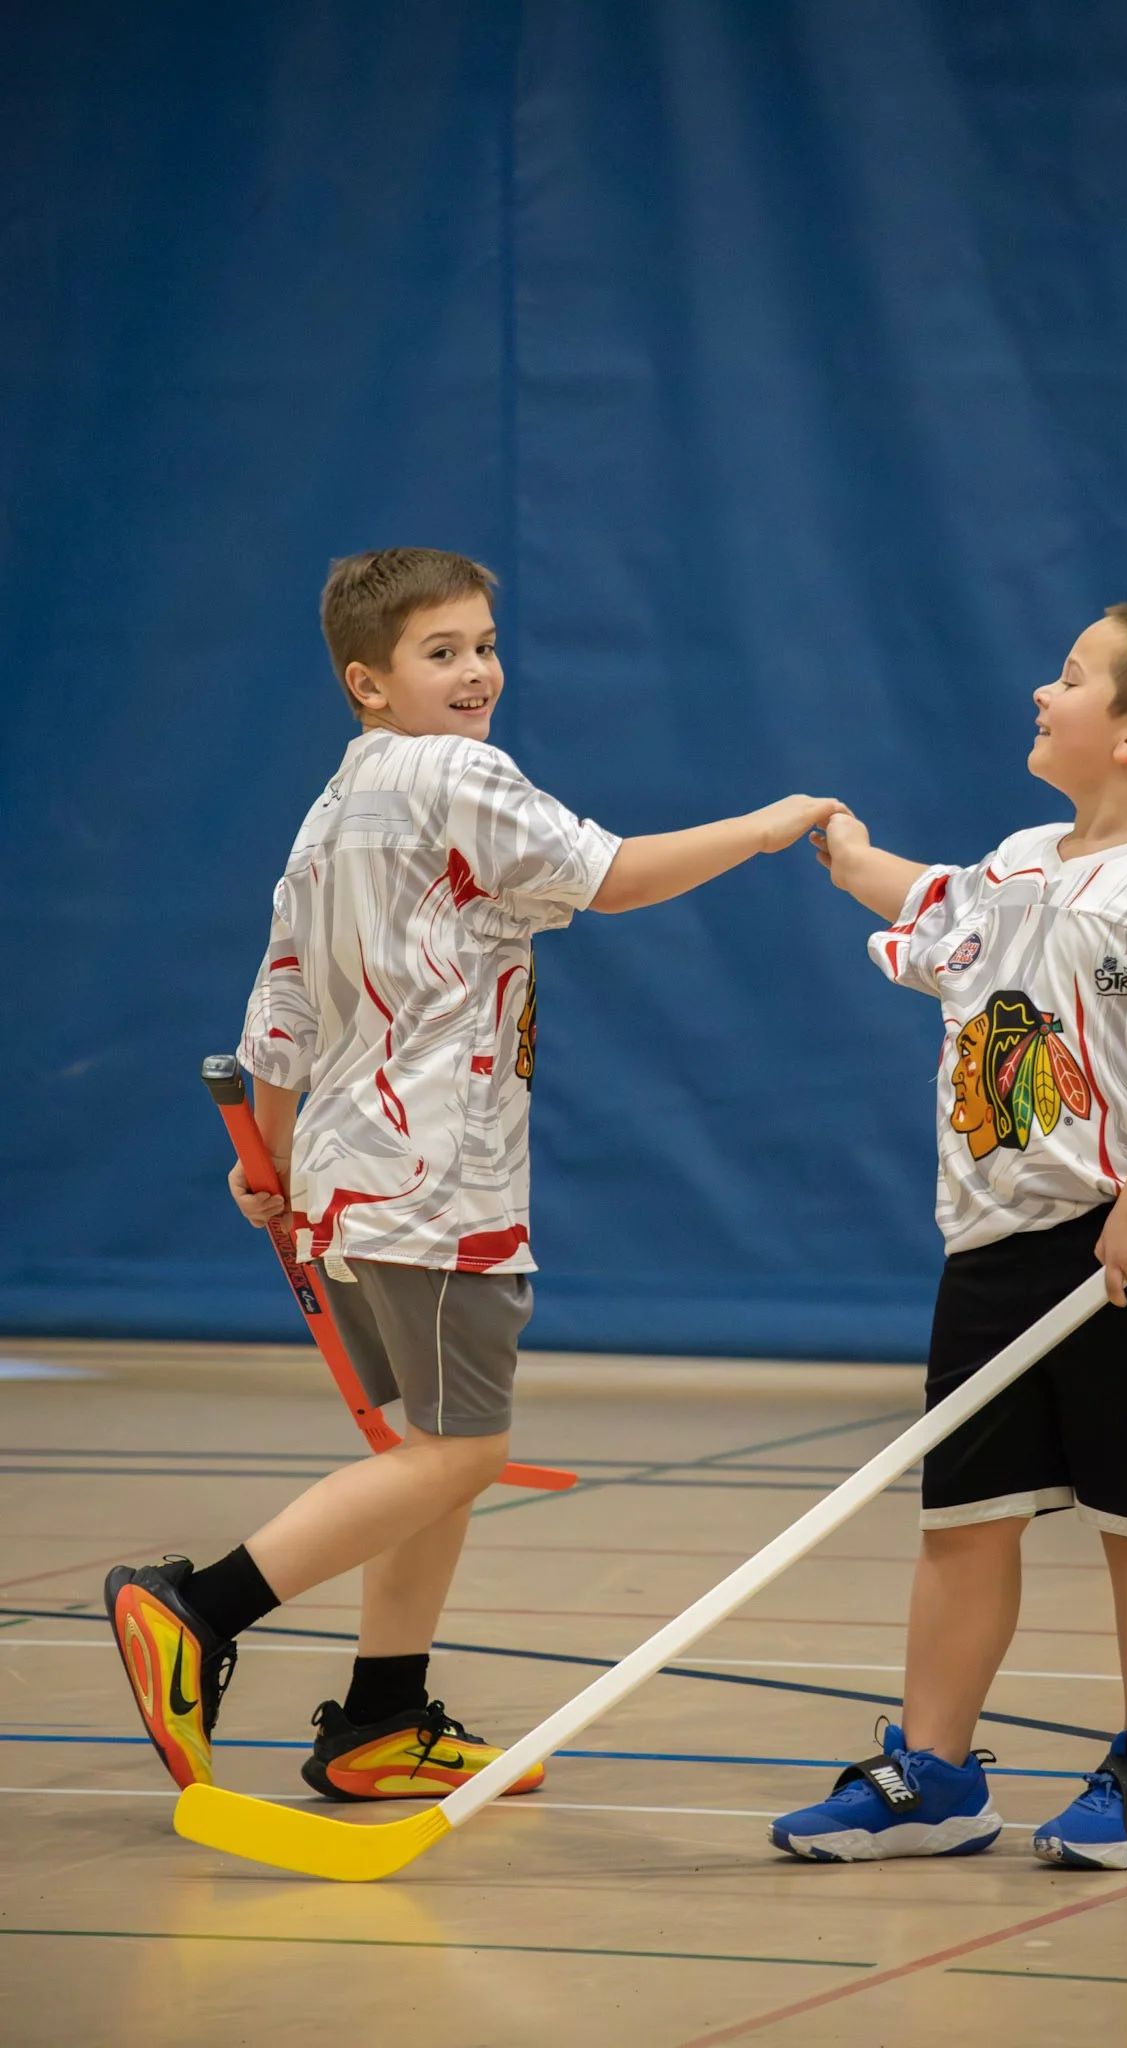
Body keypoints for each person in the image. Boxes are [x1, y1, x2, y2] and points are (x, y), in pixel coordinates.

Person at [107, 546, 844, 1802]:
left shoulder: (335, 801)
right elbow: (610, 876)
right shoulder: (457, 771)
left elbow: (278, 1000)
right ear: (369, 680)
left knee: (428, 1448)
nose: (478, 671)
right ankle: (200, 1606)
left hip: (352, 1175)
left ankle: (381, 1717)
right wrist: (772, 828)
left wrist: (276, 1154)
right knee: (458, 1455)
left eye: (487, 644)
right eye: (441, 651)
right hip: (439, 1178)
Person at [771, 602, 1127, 1871]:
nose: (1039, 692)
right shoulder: (1018, 860)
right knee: (963, 1517)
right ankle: (934, 1774)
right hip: (998, 1251)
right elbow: (936, 904)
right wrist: (843, 848)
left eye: (1069, 677)